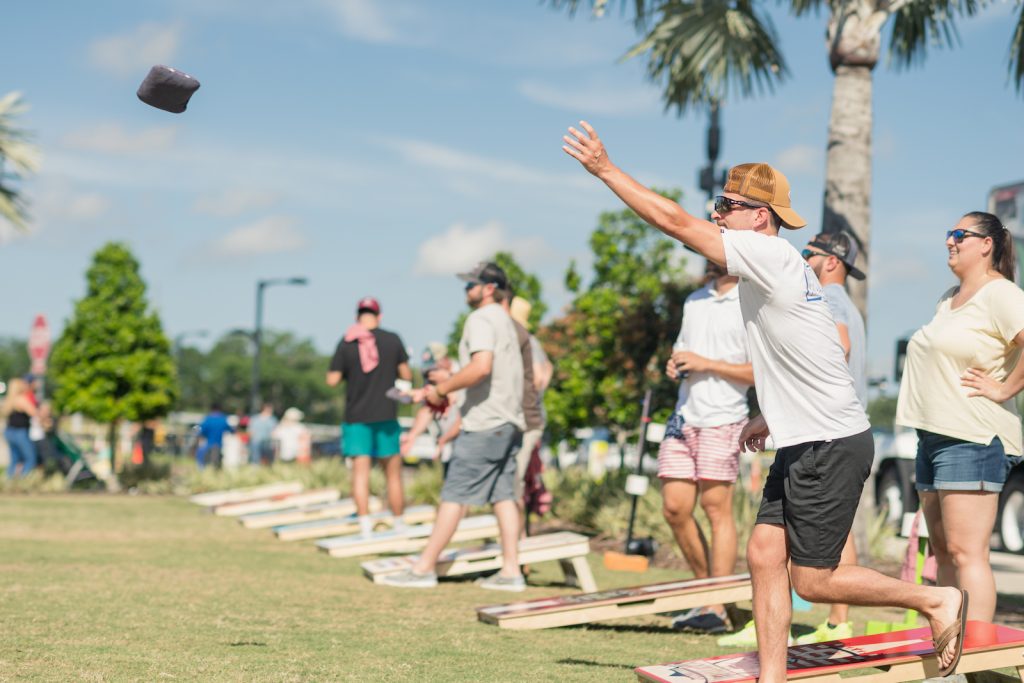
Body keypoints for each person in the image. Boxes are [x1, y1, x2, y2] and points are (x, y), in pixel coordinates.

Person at [562, 120, 968, 680]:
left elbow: (674, 222)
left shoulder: (768, 255)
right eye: (717, 203)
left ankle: (936, 601)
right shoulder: (776, 273)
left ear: (760, 216)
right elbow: (805, 354)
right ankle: (772, 677)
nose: (716, 214)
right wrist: (767, 412)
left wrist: (605, 169)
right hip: (805, 438)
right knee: (762, 555)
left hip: (829, 443)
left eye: (727, 204)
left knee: (813, 580)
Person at [896, 212, 1024, 625]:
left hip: (973, 437)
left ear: (986, 244)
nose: (950, 241)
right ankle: (950, 646)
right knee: (944, 552)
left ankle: (977, 654)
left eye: (959, 235)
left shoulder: (1001, 294)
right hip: (932, 436)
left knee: (968, 553)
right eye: (948, 234)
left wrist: (1005, 389)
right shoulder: (947, 299)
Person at [379, 262, 526, 591]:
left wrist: (441, 390)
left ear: (489, 289)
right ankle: (511, 571)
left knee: (454, 495)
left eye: (470, 285)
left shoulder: (481, 319)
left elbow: (480, 367)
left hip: (485, 421)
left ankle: (423, 568)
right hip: (510, 420)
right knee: (503, 496)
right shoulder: (507, 321)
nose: (466, 291)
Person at [658, 260, 754, 635]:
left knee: (716, 509)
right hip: (684, 416)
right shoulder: (694, 300)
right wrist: (675, 365)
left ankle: (714, 604)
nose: (704, 254)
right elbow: (683, 351)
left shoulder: (751, 299)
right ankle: (707, 591)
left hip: (724, 417)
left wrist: (706, 363)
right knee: (674, 508)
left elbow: (758, 371)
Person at [792, 230, 868, 645]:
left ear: (832, 261)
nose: (803, 258)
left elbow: (839, 346)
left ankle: (839, 621)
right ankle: (836, 620)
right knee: (843, 530)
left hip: (827, 430)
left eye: (809, 253)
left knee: (832, 533)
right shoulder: (846, 303)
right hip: (841, 428)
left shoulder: (830, 298)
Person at [327, 296, 412, 537]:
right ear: (379, 316)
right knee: (393, 474)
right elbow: (406, 374)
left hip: (357, 416)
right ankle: (398, 523)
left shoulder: (347, 342)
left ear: (357, 316)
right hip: (386, 415)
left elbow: (332, 380)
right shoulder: (392, 340)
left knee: (360, 474)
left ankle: (364, 525)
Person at [500, 290, 545, 536]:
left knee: (512, 486)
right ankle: (514, 543)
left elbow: (539, 378)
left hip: (525, 420)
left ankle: (516, 545)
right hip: (523, 420)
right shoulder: (525, 336)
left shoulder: (523, 337)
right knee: (510, 485)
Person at [3, 378, 38, 478]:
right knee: (30, 458)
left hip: (9, 432)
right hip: (20, 432)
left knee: (14, 460)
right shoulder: (21, 399)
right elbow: (34, 412)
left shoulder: (8, 400)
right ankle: (23, 479)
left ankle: (8, 481)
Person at [197, 403, 233, 469]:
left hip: (208, 445)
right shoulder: (223, 419)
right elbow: (231, 430)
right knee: (216, 465)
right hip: (218, 445)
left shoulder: (208, 419)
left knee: (207, 464)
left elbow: (201, 431)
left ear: (212, 409)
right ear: (220, 409)